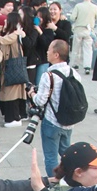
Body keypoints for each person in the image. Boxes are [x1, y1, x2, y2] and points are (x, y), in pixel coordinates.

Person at [32, 40, 83, 177]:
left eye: (49, 49)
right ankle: (74, 177)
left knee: (50, 157)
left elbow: (40, 101)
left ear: (56, 54)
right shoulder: (74, 73)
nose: (47, 52)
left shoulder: (49, 76)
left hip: (52, 122)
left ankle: (54, 184)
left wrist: (32, 94)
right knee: (66, 152)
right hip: (68, 122)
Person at [69, 0, 97, 73]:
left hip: (78, 29)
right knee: (88, 49)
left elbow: (72, 18)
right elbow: (96, 17)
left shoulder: (78, 6)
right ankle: (87, 67)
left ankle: (75, 64)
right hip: (89, 30)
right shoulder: (95, 7)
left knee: (76, 48)